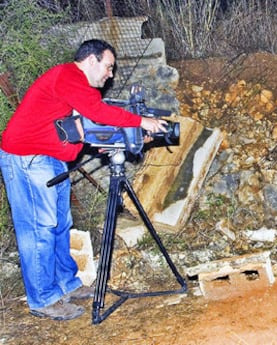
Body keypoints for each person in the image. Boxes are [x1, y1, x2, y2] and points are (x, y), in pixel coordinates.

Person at [0, 39, 167, 321]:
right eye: (108, 66)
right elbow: (98, 113)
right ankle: (43, 298)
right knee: (40, 229)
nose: (110, 75)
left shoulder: (73, 86)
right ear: (91, 60)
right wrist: (141, 122)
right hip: (27, 159)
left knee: (60, 224)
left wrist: (98, 141)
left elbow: (79, 125)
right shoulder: (69, 75)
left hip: (50, 157)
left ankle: (67, 284)